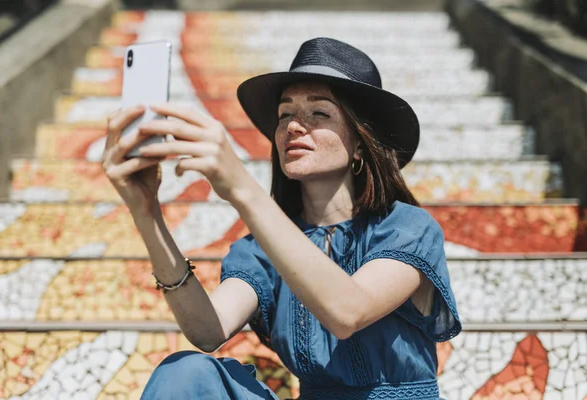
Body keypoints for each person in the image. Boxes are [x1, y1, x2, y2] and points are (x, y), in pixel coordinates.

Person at [102, 37, 461, 400]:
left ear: (359, 144)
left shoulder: (407, 228)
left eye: (319, 113)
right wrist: (146, 213)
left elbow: (348, 313)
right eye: (285, 114)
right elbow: (208, 330)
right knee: (185, 372)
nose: (293, 126)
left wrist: (242, 187)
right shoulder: (262, 248)